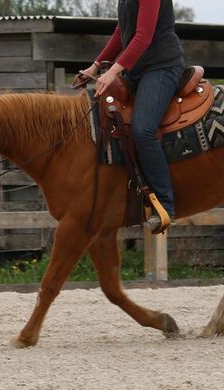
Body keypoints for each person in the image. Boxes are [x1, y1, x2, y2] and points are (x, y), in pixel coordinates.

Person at [79, 0, 184, 232]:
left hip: (161, 67)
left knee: (142, 130)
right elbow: (122, 31)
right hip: (136, 71)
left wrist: (113, 71)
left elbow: (143, 36)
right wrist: (95, 66)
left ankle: (165, 205)